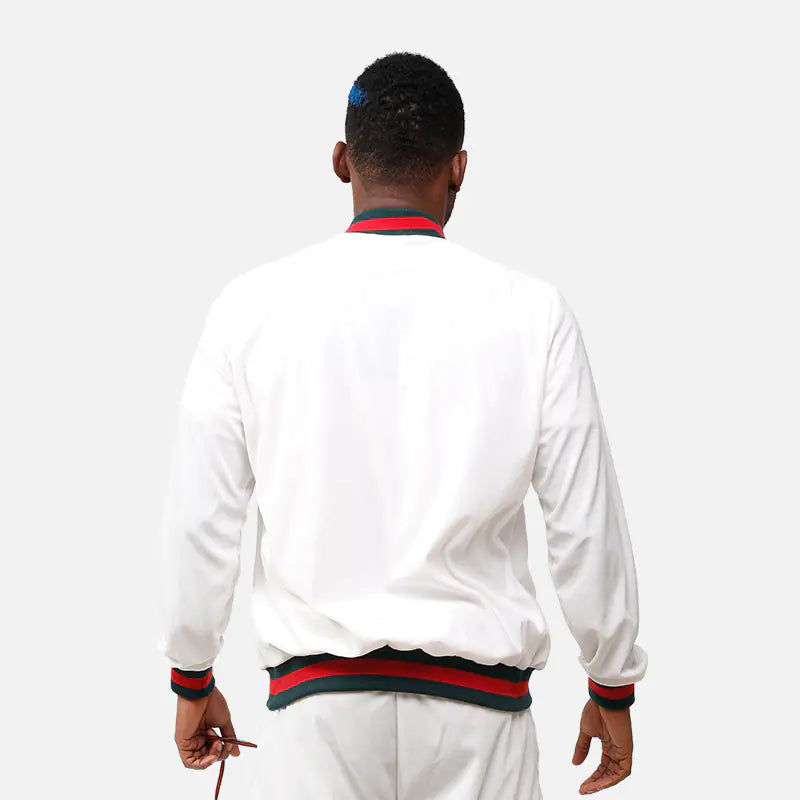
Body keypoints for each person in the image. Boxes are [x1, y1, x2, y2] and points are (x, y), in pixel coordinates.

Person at [157, 50, 648, 799]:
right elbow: (587, 525)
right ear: (459, 168)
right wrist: (611, 682)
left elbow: (202, 518)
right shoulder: (532, 313)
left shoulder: (249, 310)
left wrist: (192, 675)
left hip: (317, 716)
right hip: (480, 719)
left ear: (341, 161)